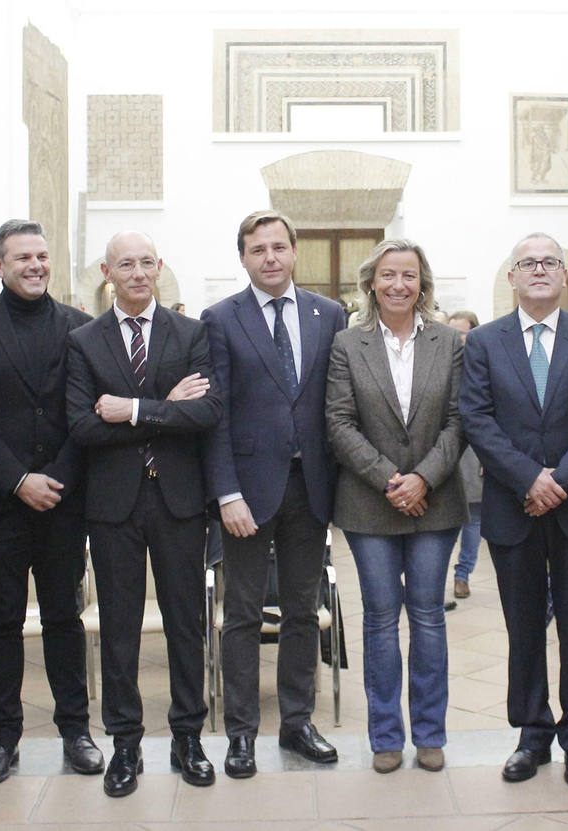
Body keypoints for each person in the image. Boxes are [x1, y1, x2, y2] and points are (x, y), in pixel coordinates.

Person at [459, 232, 568, 788]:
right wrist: (530, 478)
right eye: (527, 263)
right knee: (523, 628)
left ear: (564, 275)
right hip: (513, 507)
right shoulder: (483, 342)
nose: (539, 270)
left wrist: (561, 482)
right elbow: (477, 419)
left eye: (550, 261)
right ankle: (532, 736)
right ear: (512, 277)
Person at [0, 220, 101, 786]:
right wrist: (17, 480)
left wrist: (53, 478)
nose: (35, 265)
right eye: (22, 258)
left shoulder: (81, 328)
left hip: (63, 498)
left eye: (41, 255)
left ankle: (76, 731)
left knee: (65, 614)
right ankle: (2, 737)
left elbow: (84, 412)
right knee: (2, 617)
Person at [67, 230, 221, 795]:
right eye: (125, 264)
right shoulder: (85, 341)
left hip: (179, 499)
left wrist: (129, 410)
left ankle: (188, 737)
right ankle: (125, 744)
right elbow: (82, 425)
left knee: (186, 624)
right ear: (107, 271)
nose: (137, 273)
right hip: (113, 506)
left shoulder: (191, 332)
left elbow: (205, 412)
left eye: (147, 263)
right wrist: (164, 409)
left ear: (160, 269)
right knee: (120, 629)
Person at [201, 210, 347, 777]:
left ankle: (297, 722)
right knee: (240, 614)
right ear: (243, 257)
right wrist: (226, 493)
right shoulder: (220, 319)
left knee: (303, 613)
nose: (270, 257)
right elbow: (217, 416)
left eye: (279, 247)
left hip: (309, 489)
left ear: (294, 251)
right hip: (246, 494)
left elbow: (335, 403)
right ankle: (241, 733)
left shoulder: (327, 314)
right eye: (257, 248)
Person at [325, 239, 467, 774]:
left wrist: (424, 478)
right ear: (372, 282)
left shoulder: (449, 342)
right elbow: (338, 422)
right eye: (388, 275)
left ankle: (430, 733)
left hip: (436, 502)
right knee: (381, 620)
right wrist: (392, 480)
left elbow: (460, 420)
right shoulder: (347, 343)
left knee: (428, 617)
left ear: (422, 283)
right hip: (369, 505)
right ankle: (386, 736)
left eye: (409, 275)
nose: (398, 285)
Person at [446, 310, 484, 600]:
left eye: (463, 333)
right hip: (444, 450)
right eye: (453, 332)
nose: (458, 339)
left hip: (474, 452)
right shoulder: (440, 359)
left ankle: (463, 575)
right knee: (445, 521)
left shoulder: (481, 362)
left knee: (472, 519)